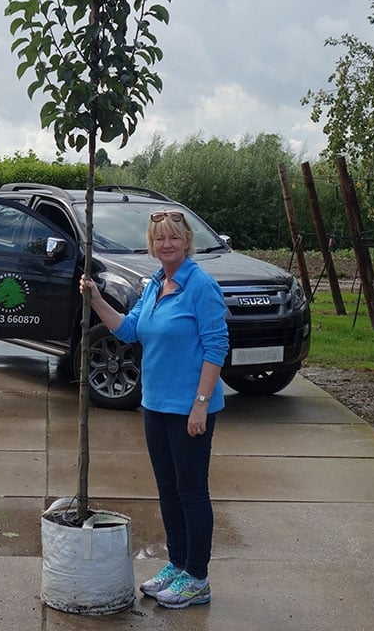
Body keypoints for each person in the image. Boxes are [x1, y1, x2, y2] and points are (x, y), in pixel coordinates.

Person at [81, 209, 229, 610]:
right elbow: (130, 330)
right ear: (151, 244)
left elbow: (216, 347)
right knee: (168, 490)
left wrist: (200, 405)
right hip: (155, 405)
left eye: (173, 238)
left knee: (192, 492)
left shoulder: (201, 286)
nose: (166, 244)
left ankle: (197, 578)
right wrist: (95, 299)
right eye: (159, 238)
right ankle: (178, 564)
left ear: (187, 241)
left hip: (189, 409)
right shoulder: (154, 285)